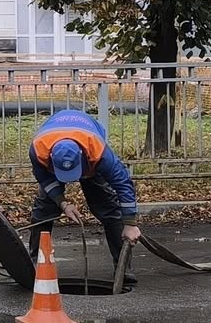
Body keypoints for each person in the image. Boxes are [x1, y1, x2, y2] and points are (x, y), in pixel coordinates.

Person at [27, 108, 141, 268]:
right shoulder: (39, 150)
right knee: (44, 211)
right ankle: (34, 266)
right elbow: (45, 179)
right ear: (51, 158)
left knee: (108, 210)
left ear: (82, 155)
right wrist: (62, 203)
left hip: (90, 158)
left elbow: (123, 183)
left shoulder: (98, 152)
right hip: (55, 149)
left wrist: (130, 224)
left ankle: (123, 267)